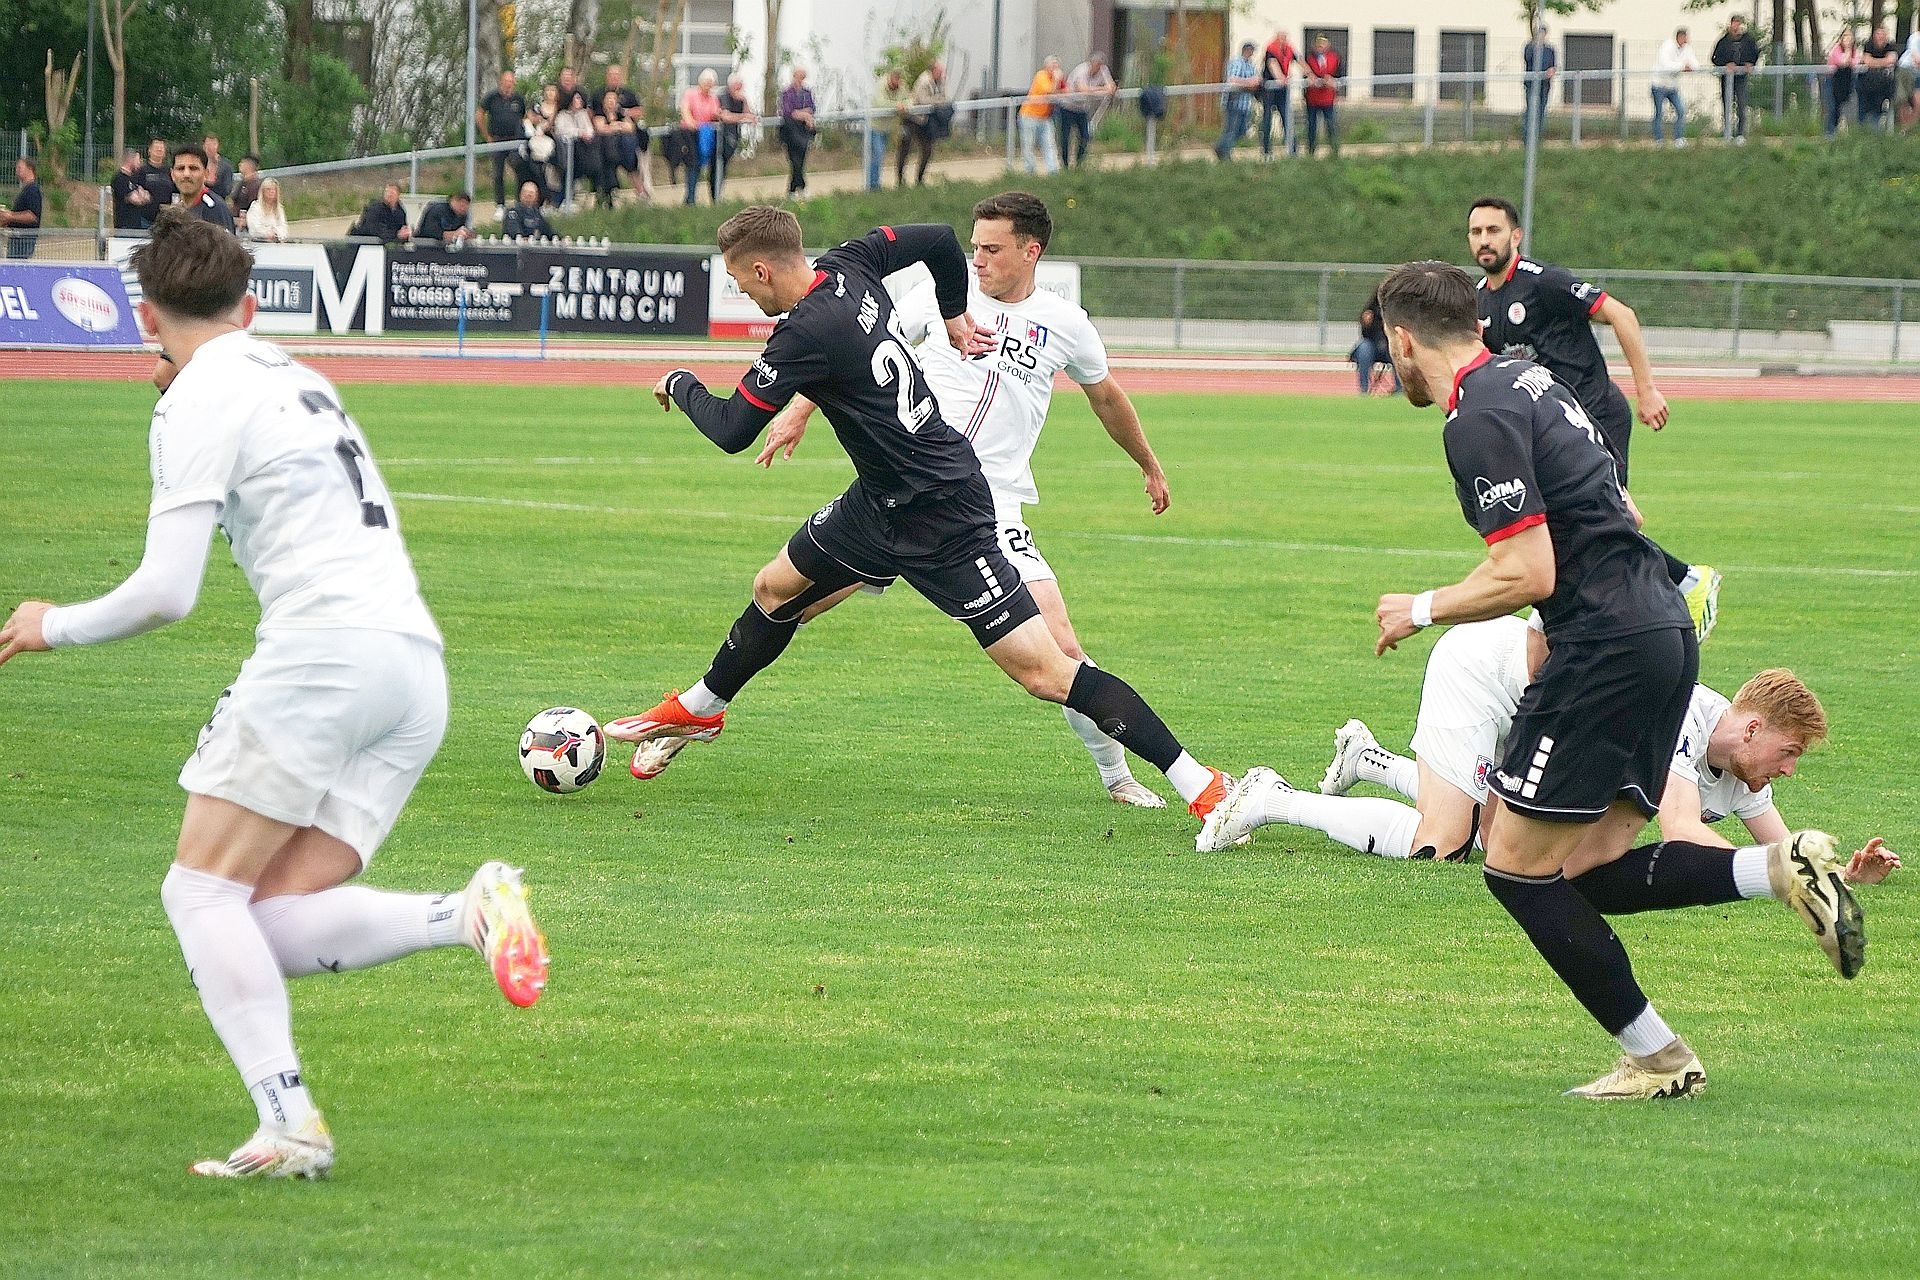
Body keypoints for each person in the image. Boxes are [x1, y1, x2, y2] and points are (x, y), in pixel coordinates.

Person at [0, 205, 549, 1178]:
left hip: (322, 658)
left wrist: (54, 623)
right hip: (413, 667)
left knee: (198, 889)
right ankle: (466, 911)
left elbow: (166, 591)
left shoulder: (194, 396)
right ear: (248, 305)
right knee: (256, 913)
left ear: (146, 317)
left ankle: (290, 1123)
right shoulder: (296, 374)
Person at [1359, 261, 1850, 1098]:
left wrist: (1423, 607)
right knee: (1584, 871)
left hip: (1604, 646)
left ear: (1402, 341)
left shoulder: (1475, 417)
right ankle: (1773, 869)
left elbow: (1529, 571)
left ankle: (1660, 1060)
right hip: (1665, 632)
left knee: (1513, 869)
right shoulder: (1534, 381)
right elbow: (1625, 510)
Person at [608, 207, 1233, 831]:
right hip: (878, 501)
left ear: (762, 269)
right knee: (776, 588)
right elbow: (934, 243)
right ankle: (702, 709)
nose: (743, 292)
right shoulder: (850, 264)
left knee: (1049, 669)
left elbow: (730, 430)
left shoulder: (803, 332)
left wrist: (679, 379)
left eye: (741, 281)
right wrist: (955, 315)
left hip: (944, 512)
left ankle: (1204, 787)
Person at [735, 192, 1177, 808]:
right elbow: (856, 352)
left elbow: (1107, 398)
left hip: (991, 510)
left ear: (1031, 251)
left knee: (1062, 649)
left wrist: (1148, 463)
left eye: (992, 249)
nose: (978, 260)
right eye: (974, 247)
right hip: (901, 494)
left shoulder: (1066, 324)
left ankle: (1117, 775)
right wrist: (801, 409)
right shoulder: (935, 298)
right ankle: (694, 714)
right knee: (785, 604)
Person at [1305, 615, 1898, 875]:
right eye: (1789, 752)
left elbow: (1779, 843)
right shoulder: (1681, 717)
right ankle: (1275, 799)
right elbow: (1681, 832)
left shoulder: (1741, 769)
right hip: (1483, 671)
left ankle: (1370, 761)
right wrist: (1786, 879)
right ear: (1751, 730)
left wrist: (1839, 875)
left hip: (1546, 712)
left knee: (1501, 840)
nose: (1789, 770)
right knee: (1443, 845)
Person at [1466, 195, 1718, 637]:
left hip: (1595, 417)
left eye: (1493, 230)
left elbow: (1621, 314)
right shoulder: (1478, 303)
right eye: (1476, 232)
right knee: (1570, 523)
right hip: (1551, 430)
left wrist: (1646, 390)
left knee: (1605, 520)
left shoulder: (1543, 283)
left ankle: (1680, 588)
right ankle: (1669, 587)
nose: (1484, 240)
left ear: (1516, 236)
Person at [479, 69, 533, 215]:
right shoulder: (492, 97)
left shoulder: (519, 99)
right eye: (506, 81)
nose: (508, 84)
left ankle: (519, 203)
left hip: (515, 140)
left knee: (520, 168)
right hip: (497, 139)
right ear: (501, 82)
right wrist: (487, 136)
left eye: (511, 81)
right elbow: (480, 115)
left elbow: (525, 117)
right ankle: (500, 205)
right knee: (498, 173)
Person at [599, 65, 649, 199]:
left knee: (629, 148)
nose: (614, 77)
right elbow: (597, 122)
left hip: (627, 138)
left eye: (617, 75)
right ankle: (610, 190)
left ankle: (640, 190)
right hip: (606, 139)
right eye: (611, 75)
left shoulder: (629, 94)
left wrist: (625, 114)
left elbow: (637, 113)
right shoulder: (598, 94)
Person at [1058, 53, 1115, 168]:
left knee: (1085, 136)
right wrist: (1102, 89)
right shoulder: (1081, 71)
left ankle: (1079, 163)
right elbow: (1082, 89)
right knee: (1065, 137)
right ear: (1091, 63)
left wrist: (1105, 88)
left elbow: (1111, 87)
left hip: (1082, 108)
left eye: (1100, 65)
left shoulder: (1103, 70)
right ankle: (1065, 164)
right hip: (1068, 107)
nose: (1098, 68)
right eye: (1096, 65)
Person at [1711, 15, 1761, 143]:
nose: (1736, 26)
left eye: (1738, 23)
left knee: (1741, 105)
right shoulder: (1724, 41)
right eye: (1734, 23)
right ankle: (1727, 134)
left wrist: (1750, 63)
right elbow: (1715, 58)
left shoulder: (1748, 40)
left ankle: (1740, 134)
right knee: (1727, 105)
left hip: (1741, 78)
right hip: (1726, 78)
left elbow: (1755, 53)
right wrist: (1725, 64)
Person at [900, 59, 950, 186]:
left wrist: (938, 101)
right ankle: (900, 180)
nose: (942, 74)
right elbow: (924, 101)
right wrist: (938, 101)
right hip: (912, 118)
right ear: (933, 71)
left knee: (927, 150)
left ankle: (919, 180)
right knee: (906, 149)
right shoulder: (924, 81)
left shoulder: (940, 82)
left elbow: (944, 98)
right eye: (940, 71)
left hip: (925, 120)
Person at [680, 69, 725, 205]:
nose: (708, 86)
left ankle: (711, 198)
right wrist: (691, 122)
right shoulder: (690, 94)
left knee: (706, 164)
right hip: (690, 134)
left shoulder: (713, 99)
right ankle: (690, 198)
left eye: (711, 84)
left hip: (706, 135)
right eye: (706, 83)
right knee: (692, 165)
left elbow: (715, 114)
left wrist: (720, 114)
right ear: (700, 82)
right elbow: (685, 110)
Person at [554, 86, 603, 209]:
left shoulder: (583, 114)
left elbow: (590, 130)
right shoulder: (562, 115)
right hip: (568, 151)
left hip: (585, 150)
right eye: (577, 98)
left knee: (596, 157)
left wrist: (586, 135)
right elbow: (561, 131)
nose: (579, 101)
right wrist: (579, 133)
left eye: (580, 99)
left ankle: (599, 195)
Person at [1650, 27, 1698, 146]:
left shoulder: (1687, 49)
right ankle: (1658, 140)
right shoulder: (1667, 46)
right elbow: (1666, 65)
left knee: (1681, 111)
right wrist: (1682, 66)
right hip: (1659, 85)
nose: (1687, 40)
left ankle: (1679, 138)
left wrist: (1690, 67)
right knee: (1659, 113)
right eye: (1685, 37)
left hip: (1673, 86)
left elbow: (1695, 64)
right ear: (1680, 37)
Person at [171, 146, 237, 232]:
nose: (186, 174)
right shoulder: (177, 210)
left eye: (193, 168)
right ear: (172, 175)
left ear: (206, 174)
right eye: (180, 168)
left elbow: (227, 240)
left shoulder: (215, 209)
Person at [1214, 41, 1261, 160]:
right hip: (1233, 102)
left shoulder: (1251, 65)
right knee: (1231, 130)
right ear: (1246, 50)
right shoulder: (1236, 62)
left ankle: (1220, 147)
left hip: (1245, 104)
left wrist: (1253, 83)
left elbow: (1256, 81)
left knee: (1241, 131)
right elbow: (1232, 80)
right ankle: (1225, 154)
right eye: (1251, 50)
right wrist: (1249, 83)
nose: (1252, 53)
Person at [717, 73, 759, 199]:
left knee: (724, 166)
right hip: (722, 136)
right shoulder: (723, 96)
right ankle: (716, 194)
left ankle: (719, 194)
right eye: (737, 86)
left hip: (734, 135)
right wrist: (743, 117)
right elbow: (726, 117)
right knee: (718, 165)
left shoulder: (740, 99)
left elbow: (749, 115)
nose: (739, 89)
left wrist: (745, 101)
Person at [778, 67, 818, 200]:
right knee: (794, 161)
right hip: (790, 131)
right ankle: (800, 187)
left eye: (802, 77)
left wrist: (803, 113)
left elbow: (812, 108)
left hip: (803, 131)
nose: (800, 80)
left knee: (801, 161)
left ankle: (793, 190)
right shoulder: (787, 93)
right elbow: (789, 111)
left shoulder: (807, 92)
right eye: (798, 76)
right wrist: (805, 115)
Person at [1018, 57, 1061, 176]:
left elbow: (1064, 90)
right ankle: (1030, 171)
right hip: (1029, 116)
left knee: (1049, 144)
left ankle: (1053, 171)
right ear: (1046, 66)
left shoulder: (1055, 79)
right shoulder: (1041, 75)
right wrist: (1056, 80)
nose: (1056, 68)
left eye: (1057, 66)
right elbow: (1049, 91)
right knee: (1028, 145)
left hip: (1045, 117)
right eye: (1053, 65)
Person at [1351, 290, 1398, 395]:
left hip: (1390, 347)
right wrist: (1366, 324)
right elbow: (1365, 335)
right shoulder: (1372, 310)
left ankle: (1400, 389)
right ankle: (1364, 389)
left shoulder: (1397, 311)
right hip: (1373, 347)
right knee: (1364, 347)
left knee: (1398, 348)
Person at [1260, 30, 1298, 158]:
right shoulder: (1271, 49)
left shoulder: (1288, 49)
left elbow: (1299, 61)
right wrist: (1281, 78)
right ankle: (1266, 150)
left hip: (1282, 89)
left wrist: (1311, 75)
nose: (1284, 40)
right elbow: (1272, 65)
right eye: (1281, 38)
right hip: (1269, 89)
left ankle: (1292, 149)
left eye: (1285, 38)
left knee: (1286, 117)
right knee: (1267, 119)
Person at [1303, 35, 1341, 156]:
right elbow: (1306, 75)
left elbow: (1339, 75)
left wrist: (1331, 79)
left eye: (1323, 43)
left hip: (1328, 98)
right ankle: (1311, 151)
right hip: (1312, 98)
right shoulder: (1309, 58)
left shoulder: (1335, 57)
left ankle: (1334, 150)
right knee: (1312, 126)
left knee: (1331, 124)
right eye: (1318, 43)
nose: (1320, 46)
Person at [1857, 23, 1898, 130]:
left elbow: (1892, 59)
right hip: (1868, 83)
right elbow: (1867, 61)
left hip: (1884, 84)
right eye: (1878, 34)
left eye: (1882, 34)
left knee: (1880, 105)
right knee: (1863, 104)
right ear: (1874, 35)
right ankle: (1862, 129)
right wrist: (1883, 62)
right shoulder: (1869, 45)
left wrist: (1874, 62)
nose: (1880, 37)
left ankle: (1876, 129)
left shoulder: (1890, 46)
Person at [1523, 24, 1557, 143]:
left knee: (1541, 110)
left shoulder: (1549, 50)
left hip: (1545, 85)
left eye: (1543, 33)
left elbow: (1553, 65)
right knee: (1531, 110)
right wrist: (1535, 46)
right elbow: (1527, 59)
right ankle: (1527, 138)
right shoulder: (1530, 47)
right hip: (1531, 84)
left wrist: (1552, 70)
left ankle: (1537, 137)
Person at [2, 156, 42, 258]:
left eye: (20, 167)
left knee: (17, 265)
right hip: (18, 239)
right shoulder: (27, 189)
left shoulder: (32, 190)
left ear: (30, 169)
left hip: (24, 240)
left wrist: (10, 216)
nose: (17, 170)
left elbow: (32, 216)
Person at [1824, 30, 1860, 137]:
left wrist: (1849, 56)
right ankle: (1829, 132)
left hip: (1845, 82)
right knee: (1832, 106)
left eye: (1850, 38)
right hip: (1833, 81)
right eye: (1845, 37)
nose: (1848, 40)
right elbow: (1842, 62)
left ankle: (1837, 130)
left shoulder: (1855, 51)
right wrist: (1848, 52)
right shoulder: (1836, 50)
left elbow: (1855, 62)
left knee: (1841, 107)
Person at [110, 148, 155, 231]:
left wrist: (140, 194)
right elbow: (135, 199)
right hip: (124, 226)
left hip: (136, 224)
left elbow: (147, 197)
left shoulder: (134, 178)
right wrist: (140, 195)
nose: (139, 163)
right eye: (137, 160)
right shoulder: (119, 178)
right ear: (130, 160)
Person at [137, 137, 177, 212]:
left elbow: (176, 191)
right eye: (156, 147)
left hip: (165, 214)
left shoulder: (169, 170)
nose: (159, 150)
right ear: (149, 150)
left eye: (161, 148)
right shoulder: (141, 170)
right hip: (146, 215)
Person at [248, 177, 290, 243]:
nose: (272, 191)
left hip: (277, 241)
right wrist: (266, 233)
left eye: (274, 189)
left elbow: (283, 226)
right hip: (259, 242)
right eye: (268, 189)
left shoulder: (279, 208)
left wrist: (276, 233)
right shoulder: (255, 207)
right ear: (263, 191)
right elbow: (254, 227)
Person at [230, 155, 264, 228]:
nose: (239, 164)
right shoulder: (242, 183)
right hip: (236, 222)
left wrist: (245, 219)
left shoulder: (255, 185)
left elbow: (253, 205)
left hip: (247, 224)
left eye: (242, 162)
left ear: (249, 165)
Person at [202, 135, 236, 201]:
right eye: (208, 144)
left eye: (214, 144)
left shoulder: (225, 165)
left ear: (218, 146)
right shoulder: (199, 163)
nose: (211, 147)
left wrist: (210, 183)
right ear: (203, 146)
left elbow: (227, 189)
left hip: (219, 201)